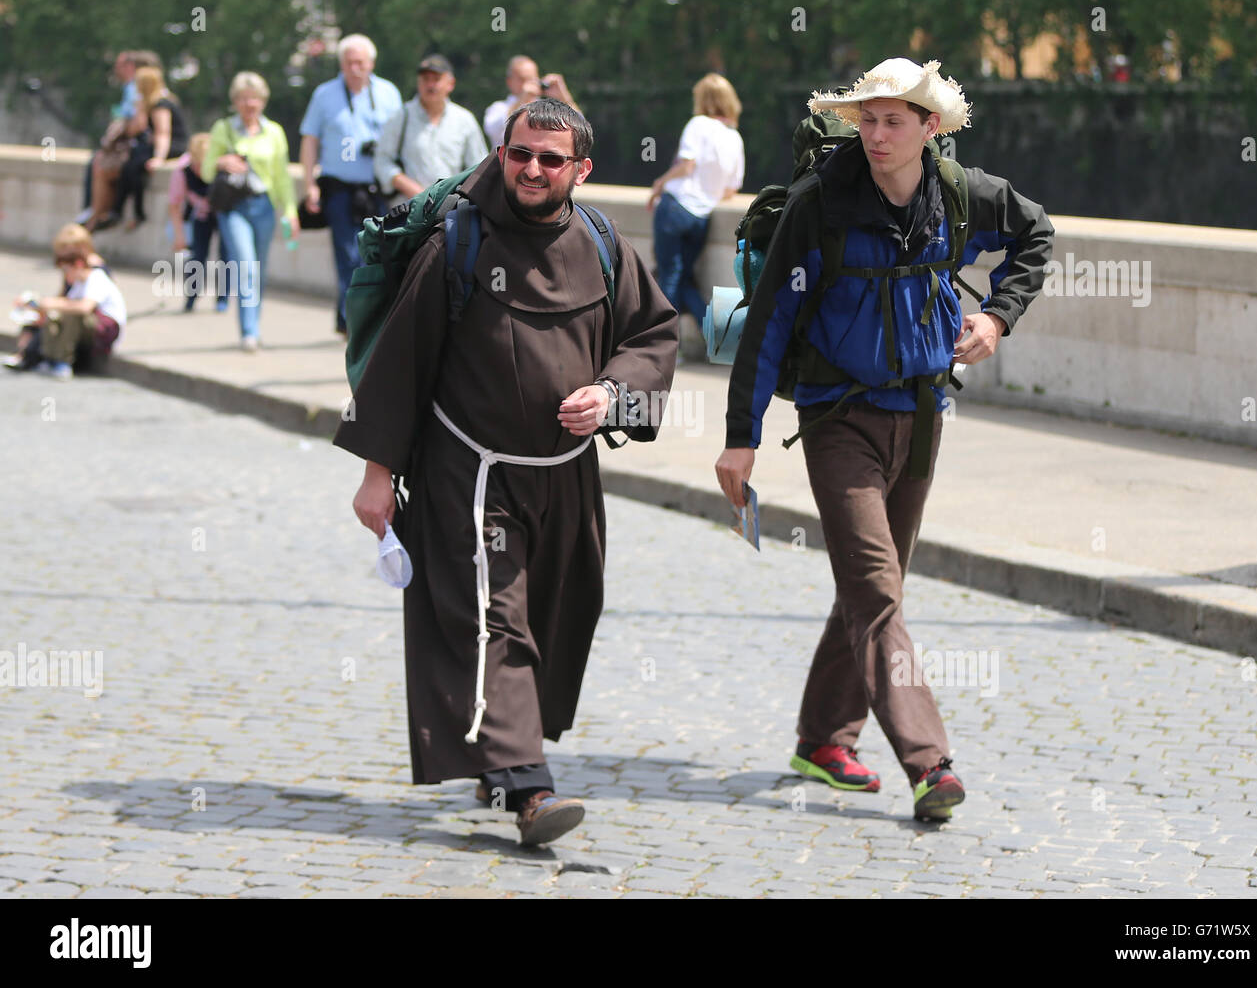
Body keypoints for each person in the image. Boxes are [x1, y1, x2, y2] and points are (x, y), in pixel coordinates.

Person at [714, 58, 1054, 822]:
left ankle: (822, 739)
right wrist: (743, 436)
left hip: (924, 417)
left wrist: (998, 315)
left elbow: (1037, 232)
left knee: (872, 591)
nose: (874, 133)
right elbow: (767, 323)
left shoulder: (962, 196)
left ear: (929, 128)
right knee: (876, 591)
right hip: (839, 420)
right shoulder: (820, 204)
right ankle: (930, 763)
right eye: (866, 119)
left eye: (892, 120)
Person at [336, 98, 677, 846]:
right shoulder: (457, 240)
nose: (531, 169)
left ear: (580, 169)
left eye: (550, 159)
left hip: (565, 475)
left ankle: (500, 753)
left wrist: (613, 394)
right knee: (500, 619)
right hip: (472, 475)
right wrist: (376, 473)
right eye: (520, 153)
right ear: (501, 152)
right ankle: (530, 787)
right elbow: (402, 362)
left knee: (554, 615)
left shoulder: (601, 241)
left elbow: (653, 332)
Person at [299, 33, 403, 334]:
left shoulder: (388, 93)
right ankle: (350, 321)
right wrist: (310, 184)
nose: (354, 68)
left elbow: (397, 139)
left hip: (376, 189)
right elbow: (310, 140)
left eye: (360, 62)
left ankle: (367, 317)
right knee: (347, 254)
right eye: (348, 62)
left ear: (371, 63)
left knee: (375, 255)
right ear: (341, 64)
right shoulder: (325, 94)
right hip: (339, 187)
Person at [201, 71, 298, 351]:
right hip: (234, 207)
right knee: (245, 266)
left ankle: (254, 322)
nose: (249, 104)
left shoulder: (275, 132)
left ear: (263, 101)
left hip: (264, 206)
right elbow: (206, 170)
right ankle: (249, 331)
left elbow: (281, 176)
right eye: (243, 99)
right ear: (235, 102)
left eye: (254, 99)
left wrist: (290, 211)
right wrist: (222, 161)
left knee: (259, 269)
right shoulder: (224, 129)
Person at [648, 73, 745, 328]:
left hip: (675, 207)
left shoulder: (698, 124)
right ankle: (714, 332)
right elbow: (731, 188)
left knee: (668, 277)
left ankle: (664, 344)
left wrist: (660, 183)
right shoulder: (734, 137)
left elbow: (687, 165)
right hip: (701, 217)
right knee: (682, 278)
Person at [5, 224, 127, 379]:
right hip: (88, 323)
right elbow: (64, 299)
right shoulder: (78, 279)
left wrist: (51, 304)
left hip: (104, 327)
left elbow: (83, 307)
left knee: (67, 313)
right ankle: (39, 357)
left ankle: (61, 362)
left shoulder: (96, 275)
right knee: (48, 316)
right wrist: (37, 305)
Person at [373, 54, 488, 203]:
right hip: (407, 209)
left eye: (436, 79)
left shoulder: (465, 120)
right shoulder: (400, 116)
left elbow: (479, 168)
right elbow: (382, 160)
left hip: (451, 211)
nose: (430, 85)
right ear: (418, 83)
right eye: (425, 79)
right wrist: (408, 186)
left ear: (451, 84)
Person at [96, 65, 189, 231]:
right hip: (158, 144)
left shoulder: (161, 104)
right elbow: (136, 129)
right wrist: (140, 108)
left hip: (173, 146)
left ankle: (136, 213)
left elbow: (163, 133)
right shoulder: (149, 103)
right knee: (130, 164)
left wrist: (159, 158)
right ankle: (119, 210)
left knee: (137, 164)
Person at [165, 132, 230, 312]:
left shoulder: (222, 166)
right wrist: (179, 236)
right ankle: (192, 296)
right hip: (201, 214)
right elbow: (175, 205)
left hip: (224, 212)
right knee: (198, 256)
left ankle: (222, 298)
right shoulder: (183, 171)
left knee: (226, 256)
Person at [482, 55, 578, 150]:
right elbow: (494, 130)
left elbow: (579, 130)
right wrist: (522, 100)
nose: (528, 84)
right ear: (509, 81)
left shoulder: (548, 110)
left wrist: (564, 98)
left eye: (532, 79)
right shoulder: (499, 108)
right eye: (522, 79)